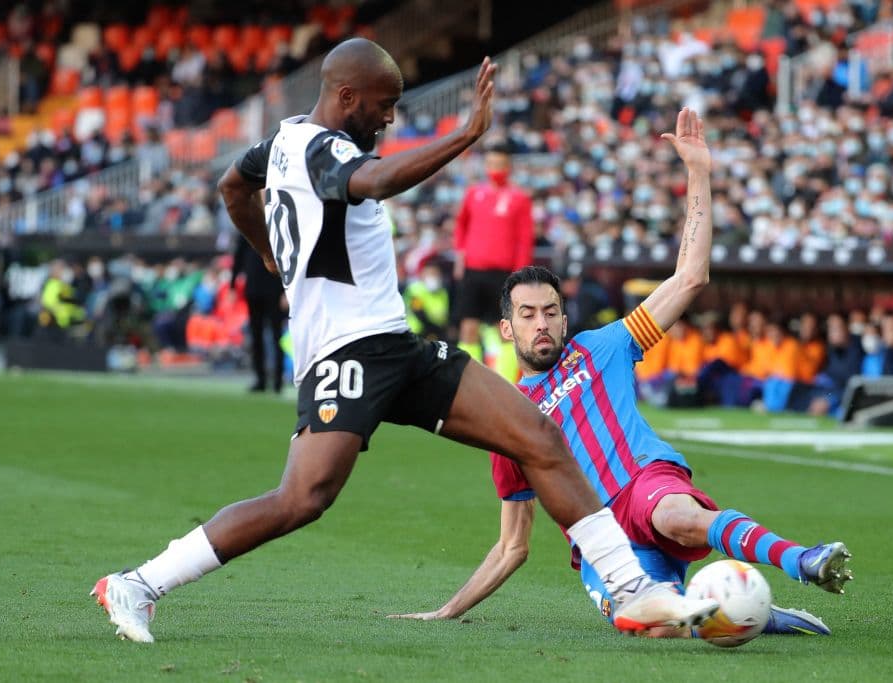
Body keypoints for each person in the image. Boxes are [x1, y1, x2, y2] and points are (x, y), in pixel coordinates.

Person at [90, 40, 718, 644]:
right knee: (301, 498)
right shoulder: (323, 149)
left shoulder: (281, 141)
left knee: (538, 437)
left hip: (393, 345)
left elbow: (233, 185)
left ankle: (631, 589)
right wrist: (466, 134)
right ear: (346, 96)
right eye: (383, 105)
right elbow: (378, 180)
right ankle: (137, 584)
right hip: (345, 353)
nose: (389, 118)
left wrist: (269, 253)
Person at [392, 110, 851, 637]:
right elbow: (512, 546)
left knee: (674, 517)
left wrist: (698, 173)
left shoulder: (605, 345)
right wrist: (448, 610)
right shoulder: (508, 420)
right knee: (656, 626)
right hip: (601, 542)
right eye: (528, 314)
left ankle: (802, 560)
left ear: (564, 320)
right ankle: (761, 617)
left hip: (645, 482)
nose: (541, 324)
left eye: (550, 312)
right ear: (506, 328)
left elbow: (690, 277)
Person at [453, 144, 533, 378]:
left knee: (505, 330)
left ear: (508, 166)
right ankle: (470, 383)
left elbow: (524, 239)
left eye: (499, 164)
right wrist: (461, 257)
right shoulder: (473, 193)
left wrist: (520, 276)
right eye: (490, 164)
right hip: (473, 271)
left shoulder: (519, 198)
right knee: (468, 328)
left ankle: (506, 384)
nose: (494, 169)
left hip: (504, 274)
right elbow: (461, 226)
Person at [233, 235, 287, 392]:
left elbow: (287, 257)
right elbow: (239, 255)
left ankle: (278, 379)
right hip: (254, 289)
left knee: (277, 336)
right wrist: (232, 284)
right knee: (256, 336)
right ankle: (260, 378)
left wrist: (286, 290)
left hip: (274, 290)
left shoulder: (277, 225)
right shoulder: (249, 226)